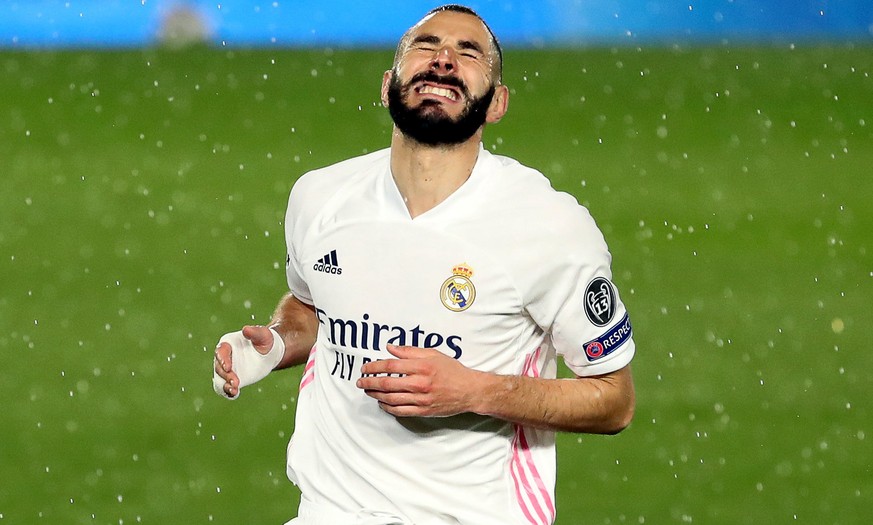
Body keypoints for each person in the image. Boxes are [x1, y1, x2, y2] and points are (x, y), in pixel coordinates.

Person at [213, 4, 636, 525]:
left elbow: (613, 401)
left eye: (468, 52)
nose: (443, 60)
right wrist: (276, 341)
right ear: (388, 84)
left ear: (498, 103)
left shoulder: (550, 227)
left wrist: (473, 391)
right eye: (426, 46)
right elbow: (311, 306)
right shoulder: (319, 198)